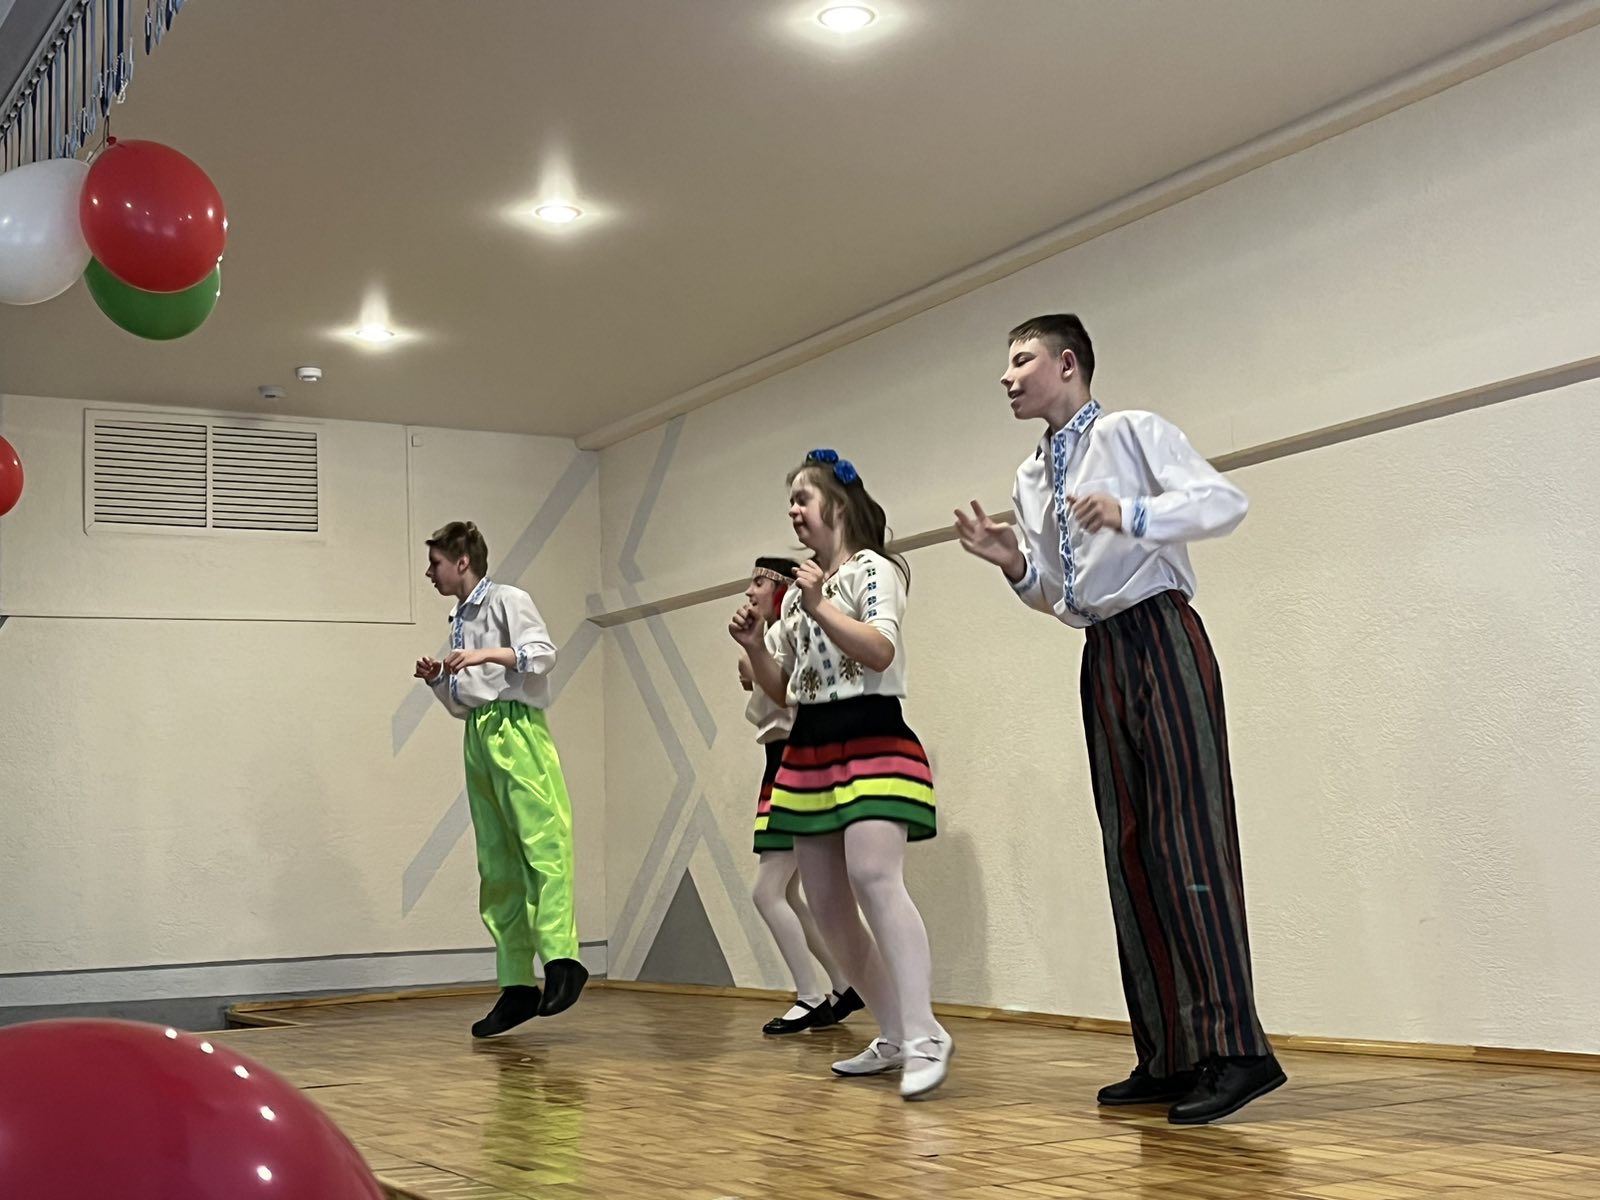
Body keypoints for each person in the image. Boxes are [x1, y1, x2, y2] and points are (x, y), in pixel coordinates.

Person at [954, 314, 1284, 1124]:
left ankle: (1238, 1051)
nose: (1007, 376)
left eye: (1022, 359)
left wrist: (1134, 514)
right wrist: (1013, 563)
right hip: (1101, 651)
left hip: (1163, 634)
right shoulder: (1030, 477)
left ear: (1067, 364)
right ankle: (1169, 1054)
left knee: (1189, 840)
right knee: (1130, 849)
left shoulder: (1133, 433)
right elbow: (1056, 594)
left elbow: (1225, 502)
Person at [731, 451, 950, 1099]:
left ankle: (926, 1033)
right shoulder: (802, 596)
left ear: (838, 504)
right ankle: (893, 1032)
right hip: (809, 746)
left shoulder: (872, 570)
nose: (794, 510)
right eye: (791, 501)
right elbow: (782, 691)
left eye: (803, 497)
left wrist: (819, 603)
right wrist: (754, 646)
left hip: (871, 733)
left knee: (875, 879)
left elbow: (879, 648)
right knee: (827, 905)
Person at [414, 520, 587, 1037]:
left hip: (517, 728)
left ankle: (561, 959)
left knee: (542, 843)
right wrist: (439, 681)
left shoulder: (508, 600)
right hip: (481, 733)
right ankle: (516, 983)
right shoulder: (459, 619)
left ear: (462, 561)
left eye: (436, 563)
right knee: (497, 861)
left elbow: (543, 655)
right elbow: (463, 703)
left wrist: (484, 654)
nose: (430, 573)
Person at [739, 555, 865, 1036]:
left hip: (793, 760)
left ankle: (812, 994)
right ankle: (842, 984)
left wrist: (753, 657)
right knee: (786, 892)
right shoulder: (777, 635)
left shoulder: (788, 632)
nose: (749, 592)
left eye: (758, 582)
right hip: (781, 761)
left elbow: (772, 686)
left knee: (768, 892)